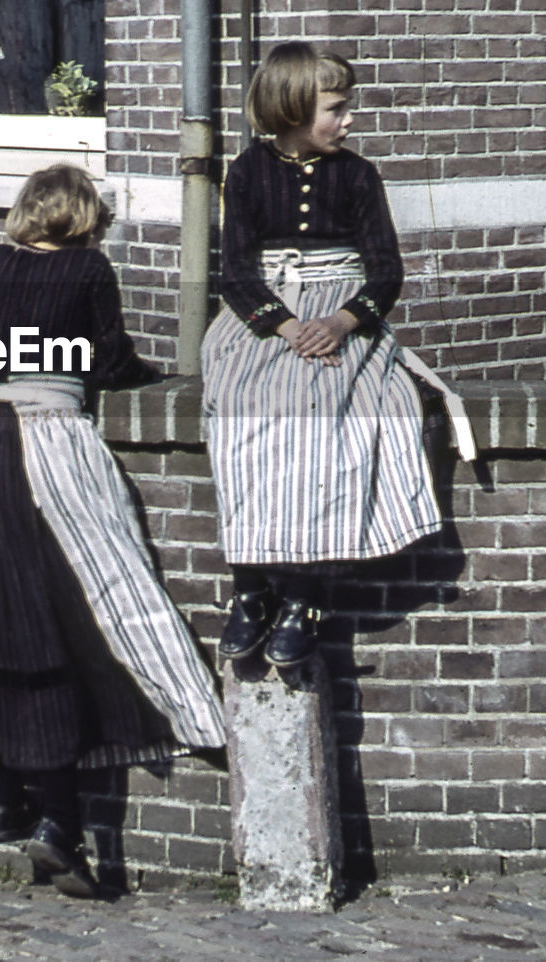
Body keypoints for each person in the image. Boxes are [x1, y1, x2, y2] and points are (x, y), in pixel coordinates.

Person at [0, 165, 225, 899]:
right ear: (87, 218)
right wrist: (153, 377)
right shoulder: (90, 267)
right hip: (47, 442)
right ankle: (73, 811)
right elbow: (106, 358)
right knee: (93, 604)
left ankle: (3, 796)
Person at [202, 41, 452, 669]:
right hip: (266, 319)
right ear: (289, 108)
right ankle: (252, 587)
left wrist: (343, 322)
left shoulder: (358, 175)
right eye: (335, 110)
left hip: (342, 318)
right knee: (243, 407)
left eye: (348, 108)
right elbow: (233, 271)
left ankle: (305, 597)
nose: (348, 121)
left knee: (334, 414)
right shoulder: (246, 172)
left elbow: (386, 271)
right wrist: (283, 326)